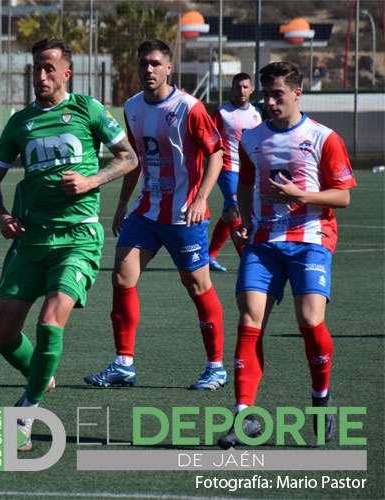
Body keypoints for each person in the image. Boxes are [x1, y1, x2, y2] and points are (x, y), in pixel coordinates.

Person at [0, 37, 138, 452]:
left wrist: (91, 181)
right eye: (36, 68)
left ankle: (26, 410)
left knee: (51, 321)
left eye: (50, 68)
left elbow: (128, 157)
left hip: (79, 238)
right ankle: (40, 372)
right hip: (32, 240)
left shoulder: (87, 109)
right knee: (3, 334)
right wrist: (3, 216)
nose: (41, 76)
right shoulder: (20, 122)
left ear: (67, 72)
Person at [218, 62, 356, 448]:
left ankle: (320, 397)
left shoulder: (322, 137)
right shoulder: (252, 138)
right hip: (263, 242)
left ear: (297, 93)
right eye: (266, 94)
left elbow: (342, 196)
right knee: (249, 318)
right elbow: (245, 183)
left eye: (278, 93)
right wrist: (244, 219)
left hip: (311, 238)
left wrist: (303, 196)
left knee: (310, 320)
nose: (270, 101)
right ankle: (245, 415)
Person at [84, 39, 227, 391]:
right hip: (147, 211)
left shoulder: (189, 107)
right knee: (122, 277)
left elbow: (216, 154)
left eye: (154, 63)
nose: (147, 70)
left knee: (197, 287)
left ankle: (217, 367)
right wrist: (122, 204)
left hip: (184, 215)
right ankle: (123, 363)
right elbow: (132, 159)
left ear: (168, 68)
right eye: (143, 64)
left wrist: (200, 199)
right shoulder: (132, 107)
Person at [207, 73, 262, 272]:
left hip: (249, 170)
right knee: (237, 208)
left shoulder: (256, 114)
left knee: (229, 213)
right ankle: (246, 258)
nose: (242, 91)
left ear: (252, 89)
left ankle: (209, 255)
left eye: (246, 87)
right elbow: (210, 138)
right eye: (238, 87)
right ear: (232, 88)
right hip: (227, 168)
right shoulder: (222, 112)